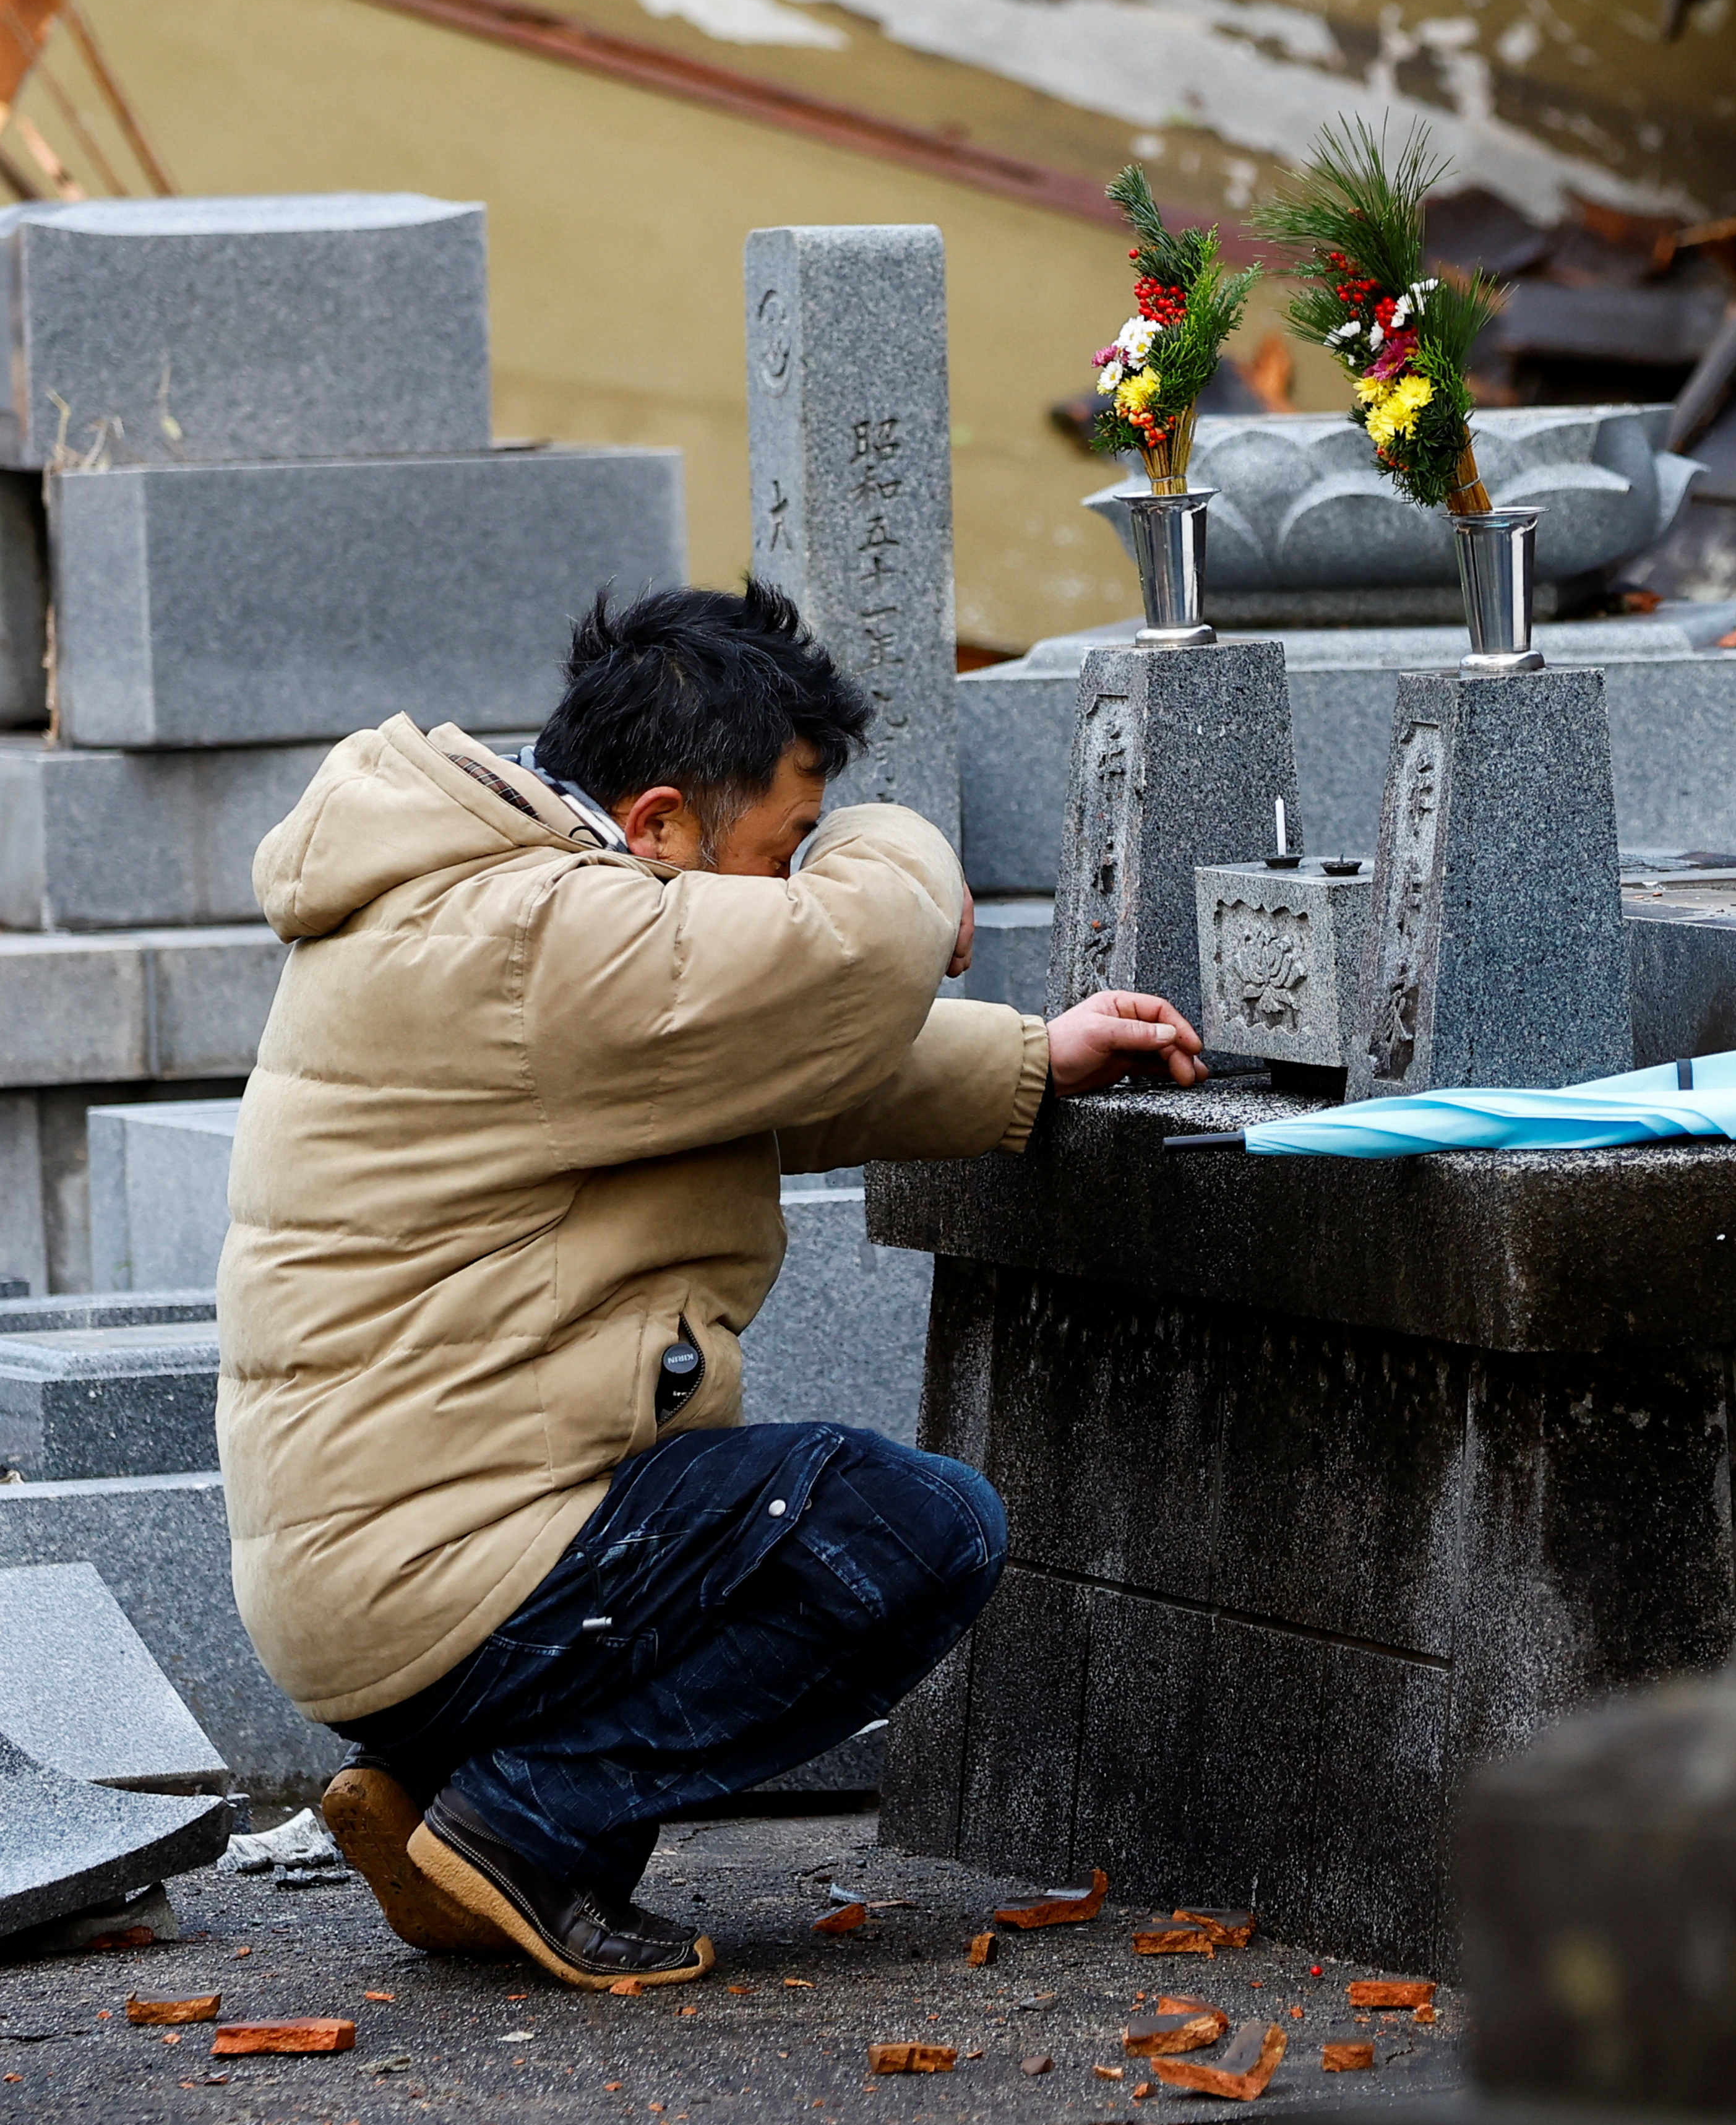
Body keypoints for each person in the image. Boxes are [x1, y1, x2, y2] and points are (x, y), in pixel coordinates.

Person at [218, 582, 1203, 1991]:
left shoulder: (498, 907)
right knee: (912, 1528)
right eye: (785, 844)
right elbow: (856, 954)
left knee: (753, 1502)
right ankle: (521, 1815)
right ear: (663, 820)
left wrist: (1031, 1061)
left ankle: (442, 1792)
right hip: (445, 1565)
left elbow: (759, 1084)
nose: (801, 872)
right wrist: (889, 847)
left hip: (385, 1569)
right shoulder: (544, 932)